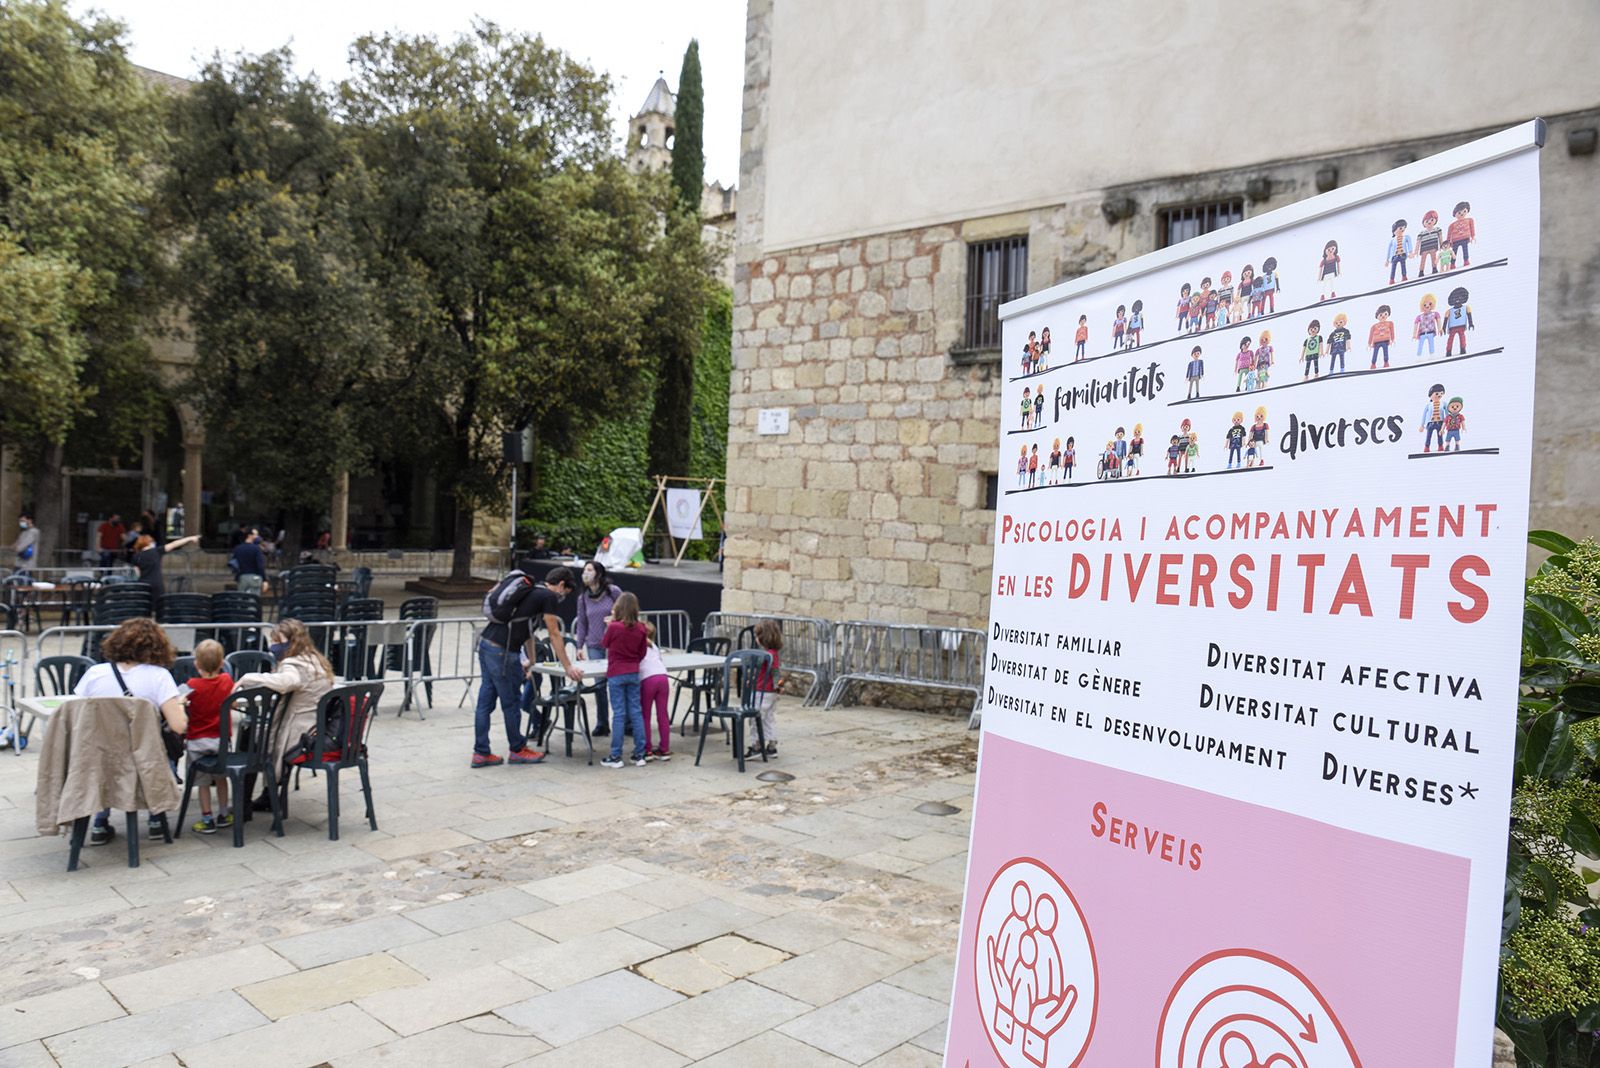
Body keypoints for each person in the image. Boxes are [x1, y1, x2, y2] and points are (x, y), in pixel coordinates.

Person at [72, 618, 188, 847]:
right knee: (165, 748)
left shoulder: (96, 673)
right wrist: (181, 704)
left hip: (100, 757)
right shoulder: (159, 676)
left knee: (108, 755)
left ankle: (100, 820)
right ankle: (156, 818)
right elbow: (179, 726)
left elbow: (78, 715)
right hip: (144, 760)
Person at [473, 566, 581, 769]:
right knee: (512, 702)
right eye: (565, 593)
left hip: (487, 644)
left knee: (485, 702)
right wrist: (568, 666)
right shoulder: (548, 596)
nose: (562, 598)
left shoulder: (530, 591)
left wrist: (531, 661)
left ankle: (481, 753)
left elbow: (528, 632)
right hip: (504, 652)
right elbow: (554, 633)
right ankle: (517, 749)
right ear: (561, 585)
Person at [234, 619, 334, 810]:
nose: (273, 646)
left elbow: (289, 680)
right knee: (256, 731)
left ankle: (244, 804)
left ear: (291, 642)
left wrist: (248, 677)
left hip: (296, 734)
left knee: (249, 733)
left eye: (277, 641)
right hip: (315, 728)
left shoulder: (292, 663)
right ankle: (267, 794)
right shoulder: (315, 659)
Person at [183, 640, 235, 834]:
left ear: (196, 664)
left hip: (197, 740)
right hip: (220, 740)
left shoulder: (192, 685)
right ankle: (223, 813)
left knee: (203, 782)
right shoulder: (226, 680)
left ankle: (206, 818)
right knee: (221, 778)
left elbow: (182, 703)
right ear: (222, 662)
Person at [573, 561, 623, 737]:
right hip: (595, 644)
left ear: (598, 574)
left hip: (616, 644)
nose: (585, 573)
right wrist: (579, 645)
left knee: (618, 684)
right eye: (584, 570)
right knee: (599, 685)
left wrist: (616, 618)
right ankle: (602, 723)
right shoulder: (583, 597)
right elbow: (582, 623)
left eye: (589, 570)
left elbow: (627, 611)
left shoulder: (613, 591)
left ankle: (625, 721)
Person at [598, 592, 648, 768]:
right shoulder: (642, 628)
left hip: (616, 672)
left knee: (619, 714)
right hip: (633, 671)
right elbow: (642, 653)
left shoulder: (614, 627)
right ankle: (640, 753)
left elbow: (604, 644)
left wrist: (609, 623)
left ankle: (616, 755)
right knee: (636, 712)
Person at [749, 619, 784, 759]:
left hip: (761, 691)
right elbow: (776, 672)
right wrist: (778, 686)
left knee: (756, 718)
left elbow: (770, 671)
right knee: (769, 718)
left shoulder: (765, 655)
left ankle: (756, 745)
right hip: (771, 693)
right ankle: (772, 746)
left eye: (757, 636)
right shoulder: (774, 653)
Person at [131, 533, 200, 600]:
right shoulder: (156, 551)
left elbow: (137, 574)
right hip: (157, 584)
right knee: (159, 607)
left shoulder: (136, 556)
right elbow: (174, 544)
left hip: (143, 585)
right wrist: (190, 538)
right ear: (149, 542)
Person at [639, 623, 671, 761]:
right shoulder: (655, 647)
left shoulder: (639, 647)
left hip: (648, 679)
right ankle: (664, 748)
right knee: (663, 714)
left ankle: (647, 749)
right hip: (663, 677)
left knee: (645, 715)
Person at [229, 528, 268, 595]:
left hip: (242, 576)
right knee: (253, 599)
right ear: (250, 535)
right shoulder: (256, 549)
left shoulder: (238, 548)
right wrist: (264, 580)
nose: (257, 537)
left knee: (241, 598)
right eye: (255, 535)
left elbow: (234, 563)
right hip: (255, 577)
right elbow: (260, 566)